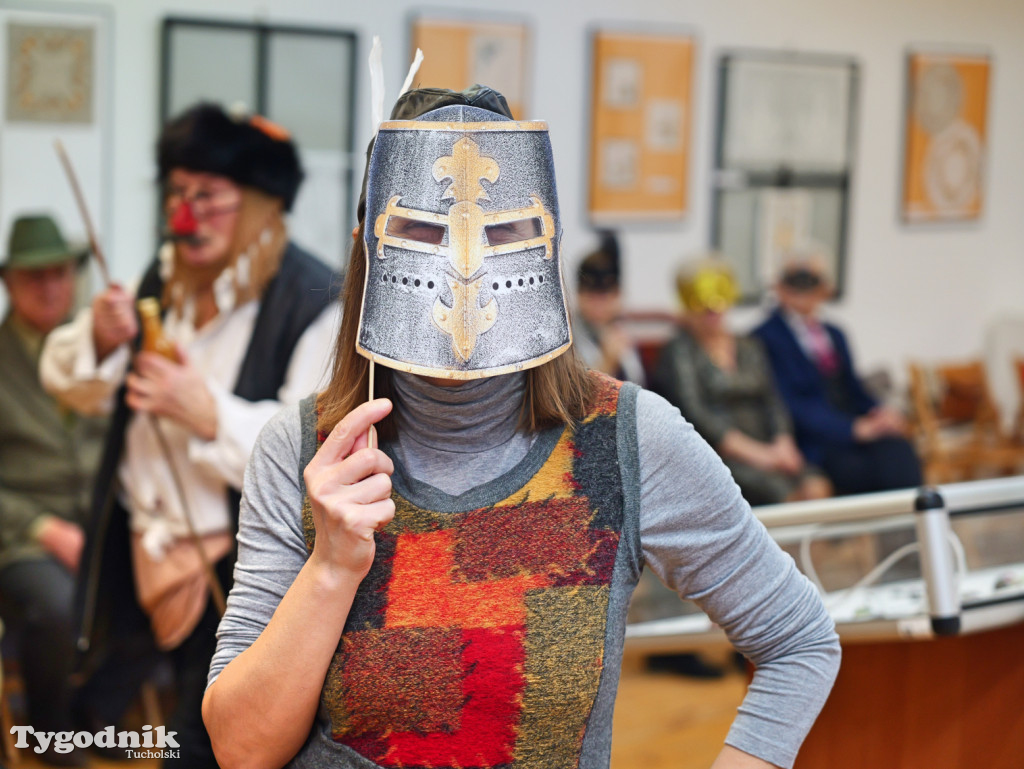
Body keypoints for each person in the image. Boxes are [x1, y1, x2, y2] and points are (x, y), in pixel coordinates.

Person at [203, 86, 840, 769]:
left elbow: (799, 640)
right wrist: (330, 568)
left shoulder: (624, 438)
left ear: (543, 243)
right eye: (421, 231)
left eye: (501, 232)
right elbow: (242, 747)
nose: (464, 267)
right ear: (370, 249)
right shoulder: (305, 451)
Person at [40, 103, 341, 768]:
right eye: (177, 193)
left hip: (236, 569)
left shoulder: (316, 298)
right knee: (85, 711)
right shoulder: (163, 279)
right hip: (139, 551)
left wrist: (210, 414)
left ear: (262, 204)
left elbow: (316, 443)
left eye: (209, 196)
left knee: (203, 743)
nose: (185, 216)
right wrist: (98, 336)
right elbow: (73, 384)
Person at [0, 215, 105, 767]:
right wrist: (44, 530)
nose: (49, 287)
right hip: (21, 537)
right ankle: (49, 730)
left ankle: (98, 711)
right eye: (34, 276)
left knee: (164, 583)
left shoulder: (96, 351)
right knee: (57, 605)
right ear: (9, 283)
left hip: (99, 523)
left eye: (59, 273)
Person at [654, 260, 831, 507]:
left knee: (816, 486)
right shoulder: (679, 352)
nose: (713, 313)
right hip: (720, 456)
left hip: (769, 445)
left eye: (719, 306)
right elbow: (695, 413)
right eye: (705, 308)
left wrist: (783, 441)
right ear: (689, 309)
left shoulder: (749, 346)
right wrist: (759, 455)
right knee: (782, 495)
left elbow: (772, 399)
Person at [753, 255, 922, 495]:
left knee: (899, 451)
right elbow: (785, 402)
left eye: (811, 281)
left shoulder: (835, 333)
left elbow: (854, 388)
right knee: (858, 471)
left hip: (854, 425)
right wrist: (852, 429)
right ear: (779, 288)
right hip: (815, 438)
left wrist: (879, 413)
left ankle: (910, 528)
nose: (803, 290)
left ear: (825, 289)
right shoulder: (764, 337)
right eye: (795, 281)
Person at [573, 231, 646, 384]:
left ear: (617, 294)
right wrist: (607, 362)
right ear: (579, 294)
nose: (599, 303)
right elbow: (575, 401)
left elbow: (643, 386)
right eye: (592, 294)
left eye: (606, 294)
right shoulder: (568, 339)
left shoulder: (622, 330)